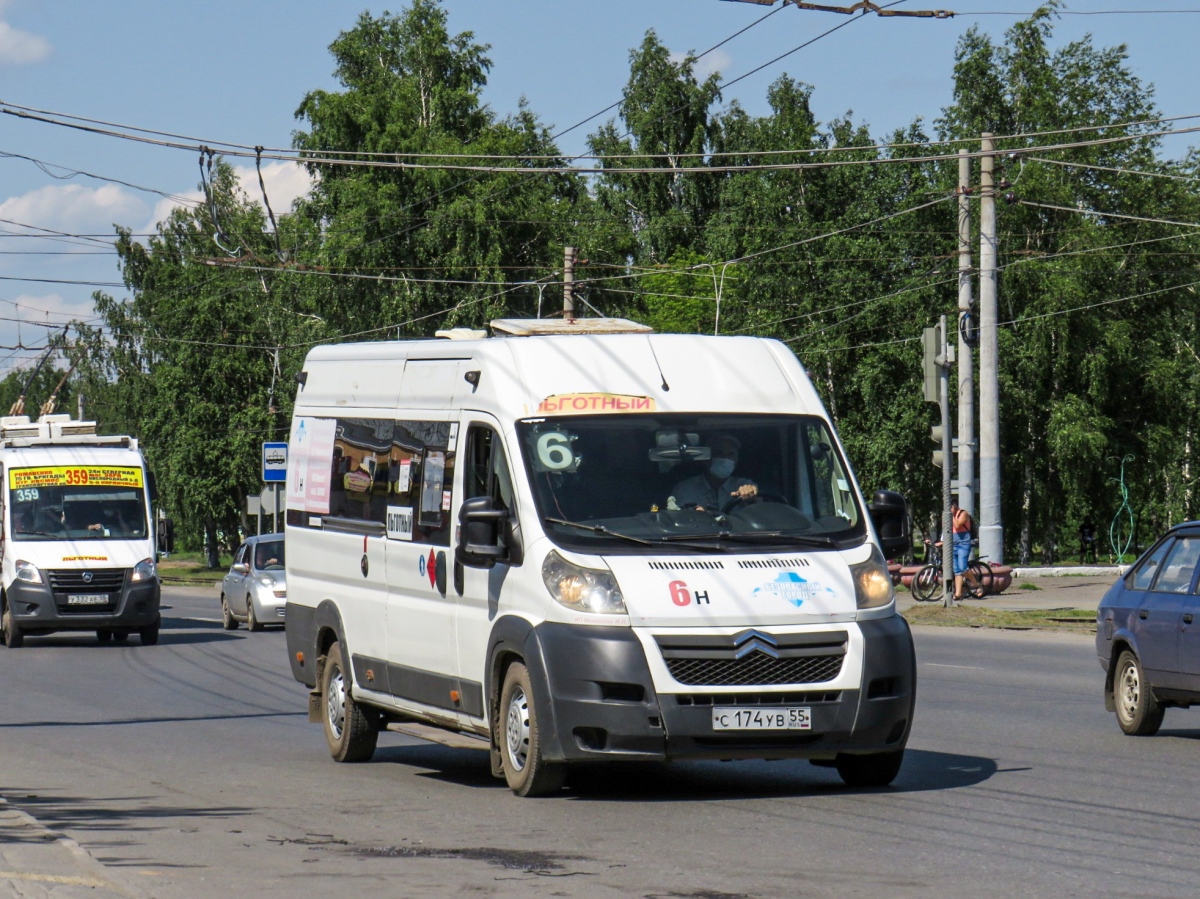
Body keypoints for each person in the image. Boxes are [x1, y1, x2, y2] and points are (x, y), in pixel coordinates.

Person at [670, 434, 757, 512]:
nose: (725, 459)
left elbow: (760, 511)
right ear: (706, 459)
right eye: (719, 453)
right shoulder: (685, 489)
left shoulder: (743, 485)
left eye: (731, 454)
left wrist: (750, 496)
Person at [951, 498, 974, 600]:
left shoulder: (963, 513)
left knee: (963, 567)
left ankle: (976, 585)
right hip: (954, 544)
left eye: (950, 507)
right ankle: (958, 593)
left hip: (963, 543)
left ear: (955, 506)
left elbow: (957, 525)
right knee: (957, 570)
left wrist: (951, 515)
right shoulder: (951, 517)